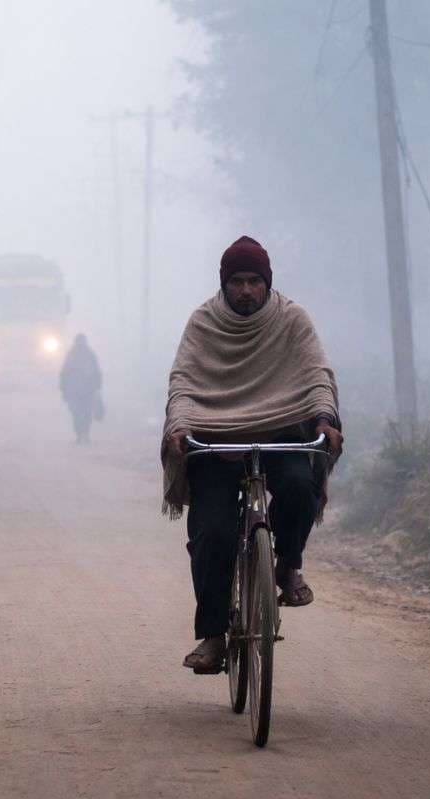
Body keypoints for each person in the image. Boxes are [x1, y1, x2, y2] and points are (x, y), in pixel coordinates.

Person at [160, 236, 343, 674]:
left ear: (268, 282)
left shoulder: (292, 319)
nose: (246, 290)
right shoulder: (204, 322)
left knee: (299, 488)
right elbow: (184, 381)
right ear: (224, 283)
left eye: (254, 281)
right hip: (217, 439)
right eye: (237, 281)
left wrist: (324, 418)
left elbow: (316, 374)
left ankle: (287, 567)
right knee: (212, 534)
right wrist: (180, 426)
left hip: (281, 432)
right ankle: (213, 637)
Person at [59, 333, 103, 444]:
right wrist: (97, 387)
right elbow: (97, 372)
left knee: (79, 414)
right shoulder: (88, 355)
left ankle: (81, 435)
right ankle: (83, 434)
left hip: (79, 390)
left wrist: (63, 388)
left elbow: (64, 373)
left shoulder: (75, 355)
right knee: (83, 413)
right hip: (84, 390)